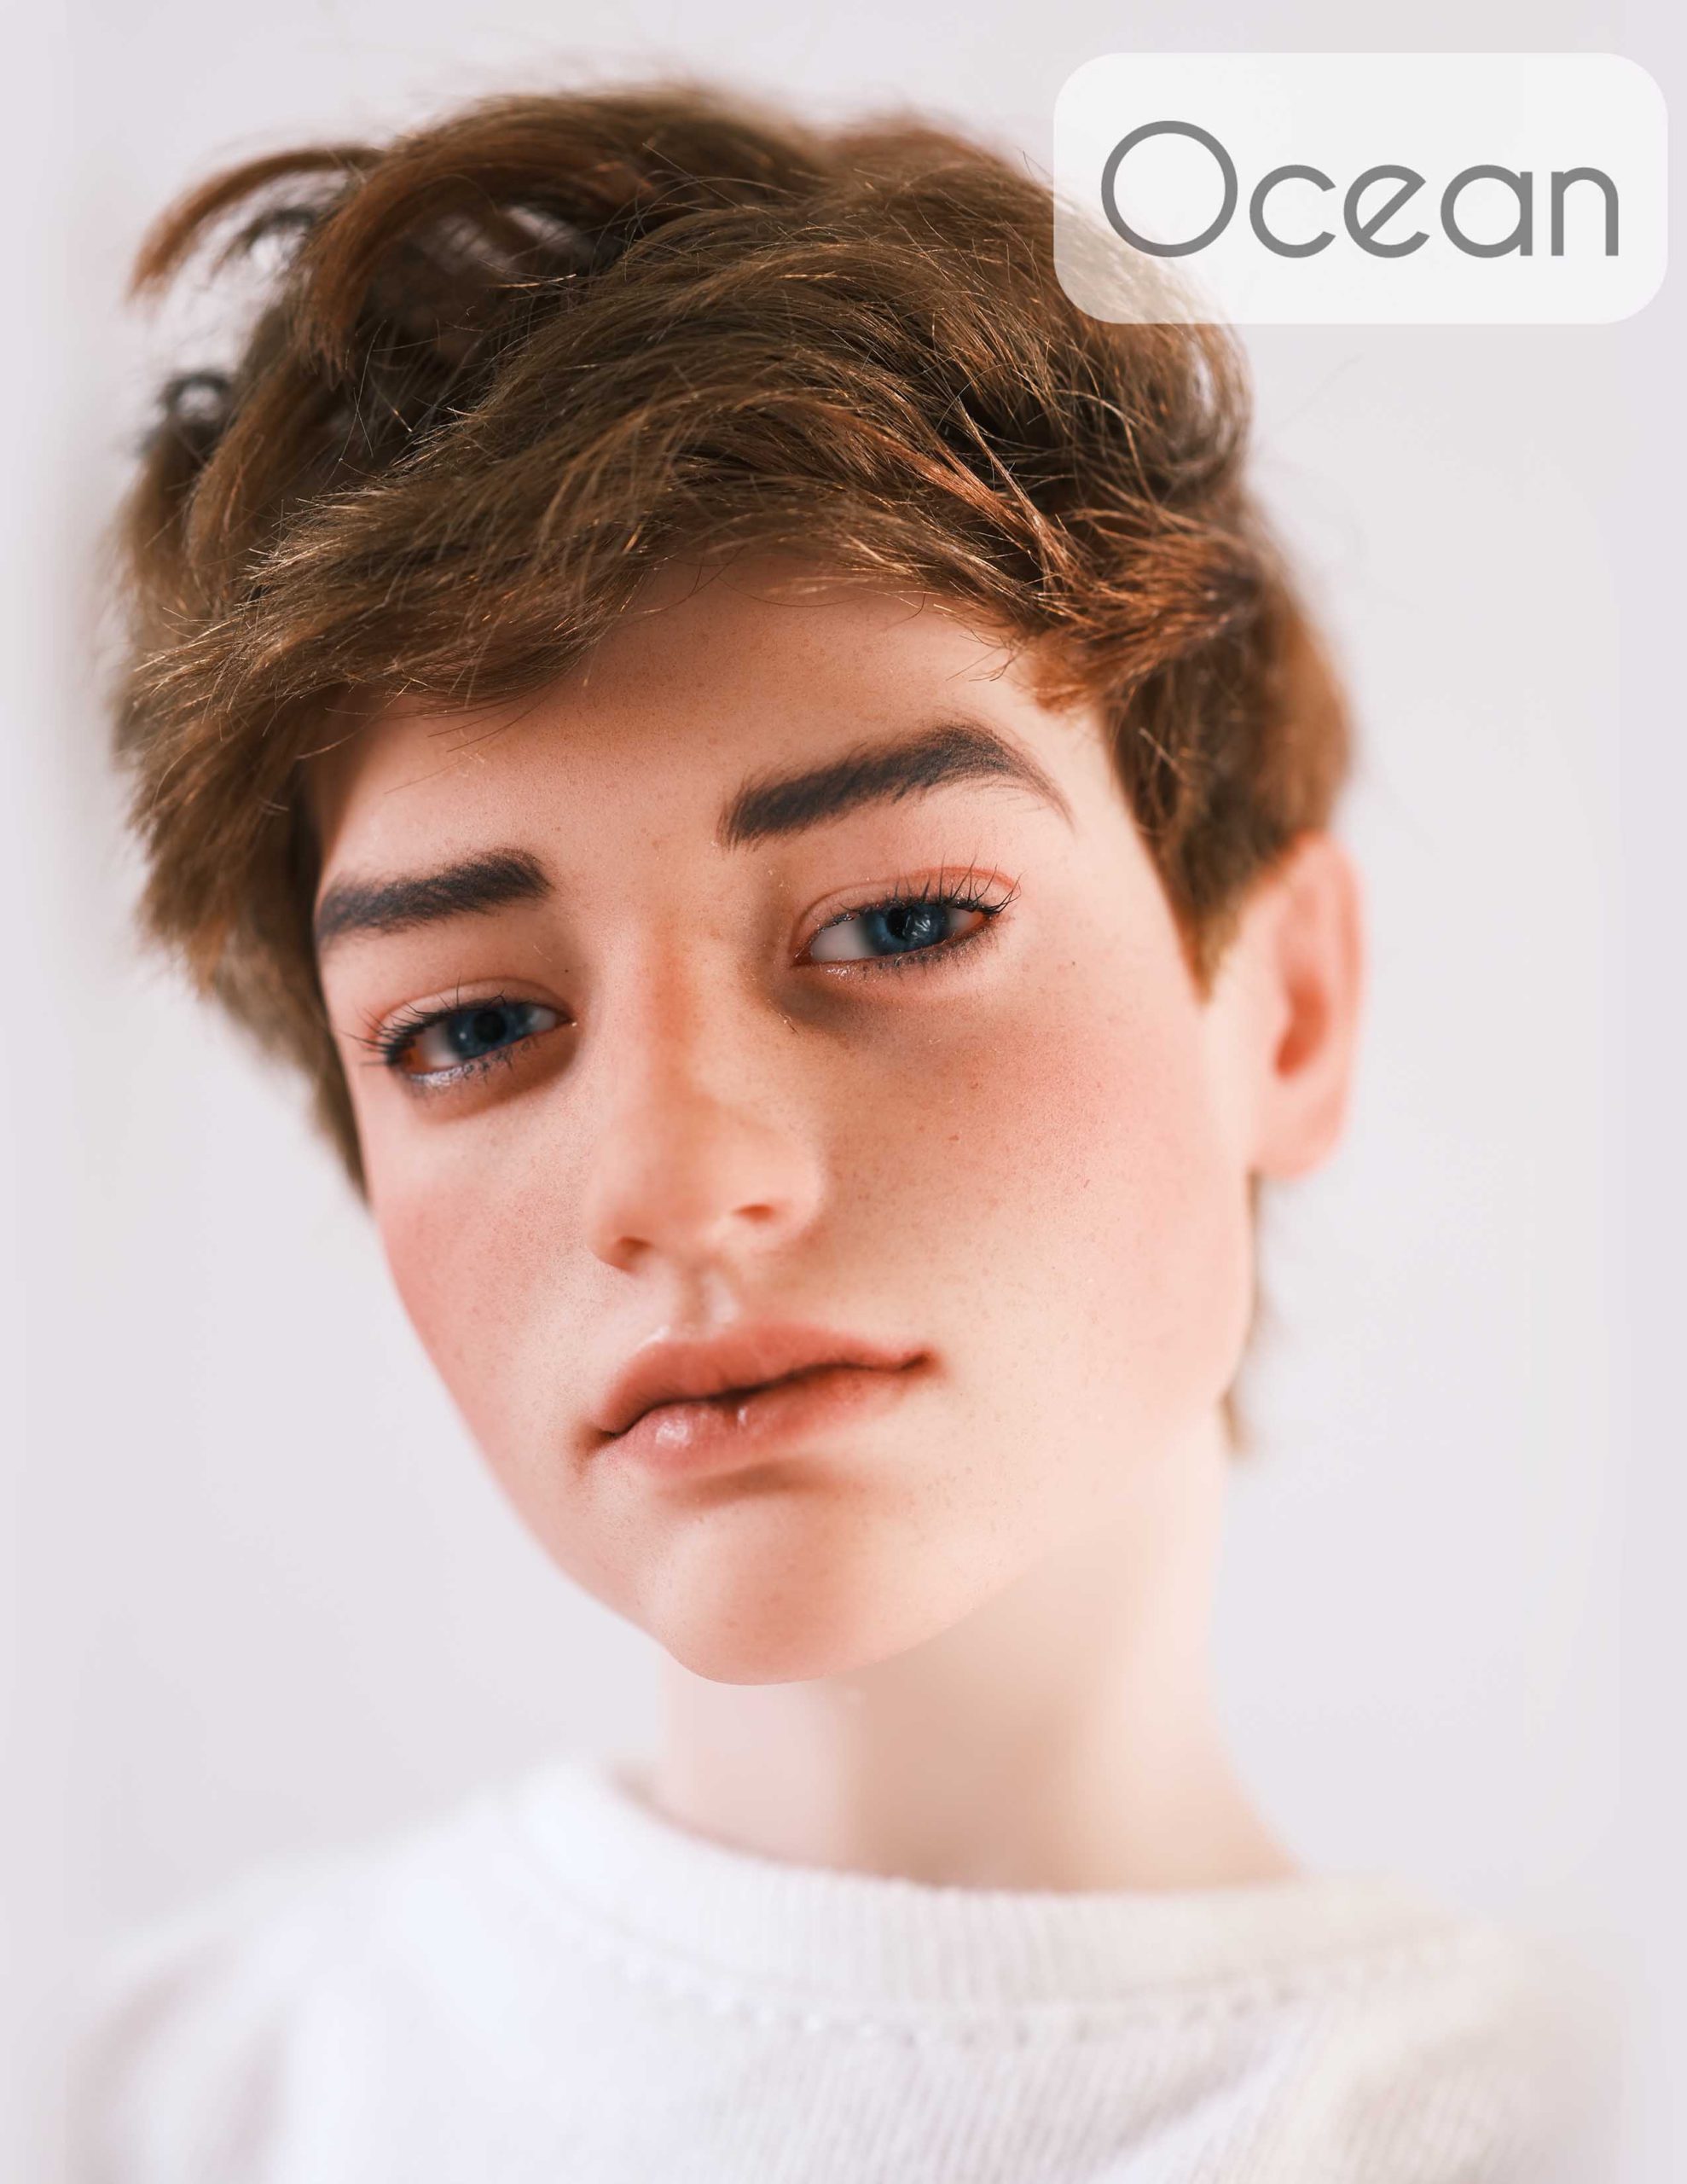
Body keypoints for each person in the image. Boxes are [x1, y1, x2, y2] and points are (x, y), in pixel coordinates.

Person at [72, 78, 1609, 2184]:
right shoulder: (137, 2103)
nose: (677, 1187)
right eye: (473, 1026)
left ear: (1284, 1004)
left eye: (902, 922)